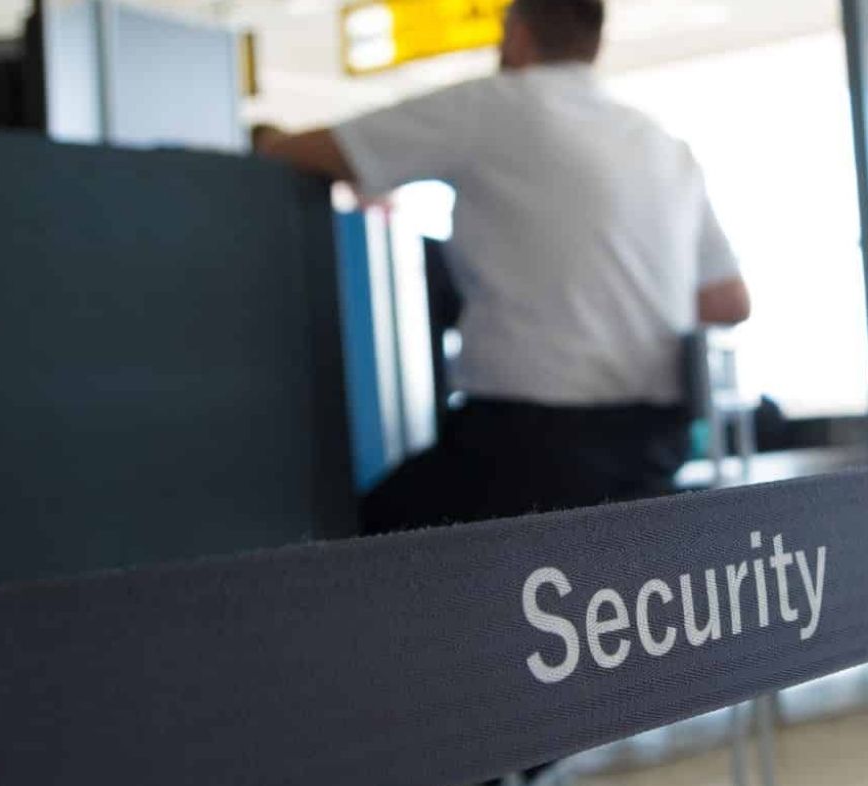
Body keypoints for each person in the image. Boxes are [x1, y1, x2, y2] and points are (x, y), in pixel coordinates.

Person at [256, 0, 751, 532]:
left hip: (527, 445)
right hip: (652, 447)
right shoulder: (665, 146)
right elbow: (728, 301)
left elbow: (308, 153)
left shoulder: (494, 105)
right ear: (594, 44)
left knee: (352, 539)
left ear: (517, 34)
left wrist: (265, 137)